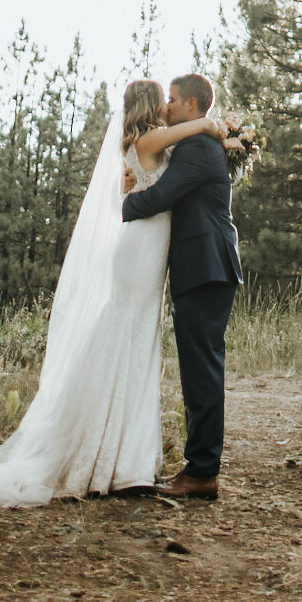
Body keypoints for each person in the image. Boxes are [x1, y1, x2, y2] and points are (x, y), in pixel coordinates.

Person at [0, 75, 227, 505]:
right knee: (128, 334)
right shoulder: (156, 138)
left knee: (135, 339)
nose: (168, 106)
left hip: (153, 250)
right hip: (142, 248)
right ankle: (116, 456)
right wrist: (212, 125)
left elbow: (169, 181)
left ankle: (127, 455)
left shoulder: (158, 142)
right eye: (164, 100)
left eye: (173, 100)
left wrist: (225, 138)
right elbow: (166, 179)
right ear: (152, 106)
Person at [121, 71, 243, 499]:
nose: (166, 107)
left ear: (191, 105)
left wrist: (116, 205)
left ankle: (203, 472)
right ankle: (198, 466)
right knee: (198, 369)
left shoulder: (196, 148)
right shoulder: (193, 143)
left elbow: (159, 198)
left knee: (202, 371)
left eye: (172, 100)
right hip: (202, 267)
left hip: (207, 267)